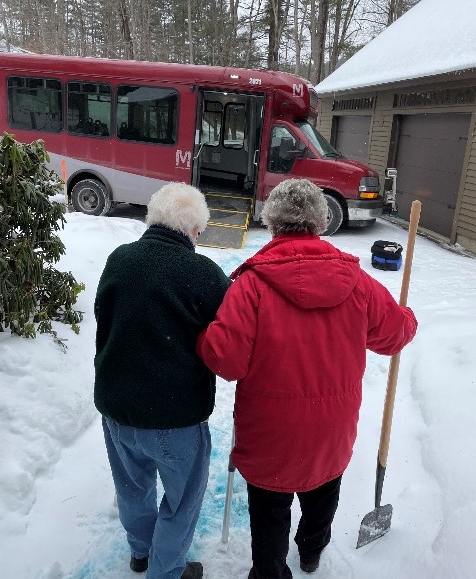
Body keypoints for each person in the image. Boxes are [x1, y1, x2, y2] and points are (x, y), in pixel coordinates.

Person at [196, 179, 418, 578]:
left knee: (269, 511)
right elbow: (394, 335)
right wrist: (407, 318)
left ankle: (269, 571)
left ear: (274, 224)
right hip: (330, 429)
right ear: (319, 222)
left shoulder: (252, 286)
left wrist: (205, 335)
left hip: (269, 432)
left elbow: (225, 360)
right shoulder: (359, 285)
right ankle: (312, 553)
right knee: (322, 494)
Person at [94, 182, 231, 579]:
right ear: (193, 230)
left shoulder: (118, 260)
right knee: (182, 501)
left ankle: (141, 552)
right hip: (175, 419)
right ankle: (166, 570)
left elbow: (106, 318)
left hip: (118, 412)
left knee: (132, 489)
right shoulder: (202, 273)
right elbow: (231, 334)